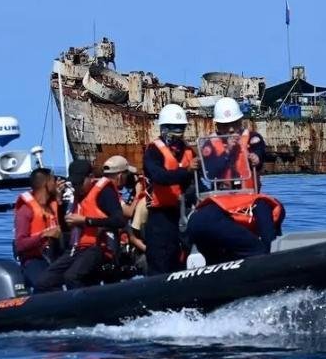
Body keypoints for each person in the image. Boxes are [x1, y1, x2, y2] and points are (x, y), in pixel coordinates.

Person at [187, 112, 285, 265]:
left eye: (234, 124)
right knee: (206, 220)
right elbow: (211, 170)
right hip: (221, 199)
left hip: (248, 196)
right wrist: (228, 151)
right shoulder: (209, 144)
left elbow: (259, 153)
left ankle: (271, 256)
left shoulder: (253, 138)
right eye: (226, 126)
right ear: (218, 126)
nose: (231, 129)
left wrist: (256, 158)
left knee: (267, 210)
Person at [35, 155, 129, 292]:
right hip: (77, 248)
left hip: (99, 248)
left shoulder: (104, 192)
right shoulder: (75, 196)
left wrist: (86, 221)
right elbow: (65, 228)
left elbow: (119, 220)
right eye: (74, 184)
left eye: (79, 183)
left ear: (90, 177)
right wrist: (59, 203)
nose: (76, 187)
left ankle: (85, 304)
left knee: (72, 277)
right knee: (44, 282)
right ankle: (61, 303)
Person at [142, 103, 198, 275]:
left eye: (181, 128)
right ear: (164, 128)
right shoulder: (153, 151)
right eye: (174, 128)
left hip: (185, 212)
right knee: (161, 259)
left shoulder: (189, 152)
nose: (178, 132)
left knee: (184, 255)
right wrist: (186, 171)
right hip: (161, 216)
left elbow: (198, 182)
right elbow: (159, 176)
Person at [13, 168, 61, 289]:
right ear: (46, 183)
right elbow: (20, 244)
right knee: (46, 284)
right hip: (34, 260)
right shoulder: (25, 210)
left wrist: (59, 199)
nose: (56, 183)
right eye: (54, 180)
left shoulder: (54, 205)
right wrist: (43, 236)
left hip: (55, 257)